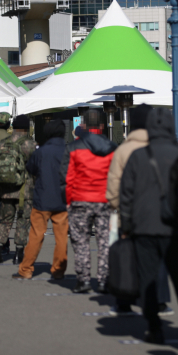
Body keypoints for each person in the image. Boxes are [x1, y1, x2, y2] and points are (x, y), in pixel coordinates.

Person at [120, 108, 178, 344]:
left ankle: (155, 328)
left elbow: (126, 194)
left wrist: (126, 225)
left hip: (143, 227)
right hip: (174, 227)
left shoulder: (137, 156)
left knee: (148, 280)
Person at [105, 104, 173, 317]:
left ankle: (124, 299)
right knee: (157, 259)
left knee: (126, 256)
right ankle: (160, 301)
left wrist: (116, 207)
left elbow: (114, 185)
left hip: (129, 213)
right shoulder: (163, 146)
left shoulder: (123, 149)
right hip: (160, 214)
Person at [61, 110, 116, 293]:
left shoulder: (74, 147)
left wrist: (68, 200)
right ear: (102, 126)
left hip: (79, 199)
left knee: (81, 240)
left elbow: (67, 177)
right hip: (104, 199)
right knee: (104, 241)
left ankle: (83, 280)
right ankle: (104, 279)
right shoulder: (111, 147)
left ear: (83, 125)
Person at [13, 120, 69, 280]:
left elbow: (31, 169)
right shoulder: (68, 150)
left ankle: (26, 270)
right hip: (62, 198)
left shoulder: (41, 151)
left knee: (36, 235)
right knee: (61, 237)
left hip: (42, 198)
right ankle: (58, 270)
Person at [0, 114, 37, 265]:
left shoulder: (2, 143)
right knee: (23, 221)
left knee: (4, 221)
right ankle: (18, 254)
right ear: (27, 128)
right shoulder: (30, 144)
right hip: (25, 190)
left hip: (5, 189)